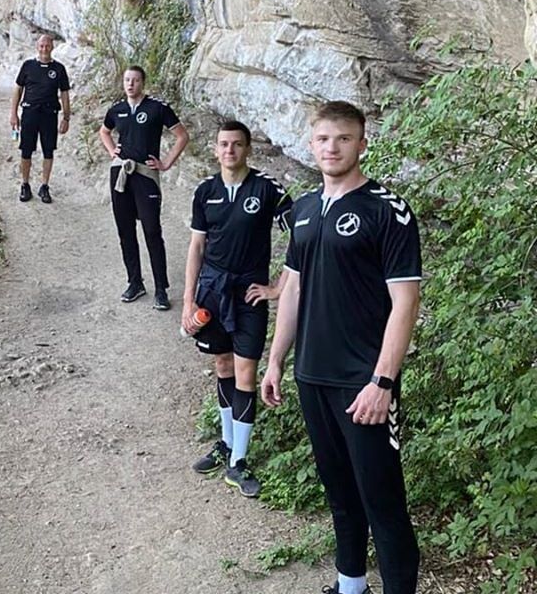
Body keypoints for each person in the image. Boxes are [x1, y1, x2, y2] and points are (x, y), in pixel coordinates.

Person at [261, 101, 421, 594]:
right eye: (324, 139)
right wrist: (275, 361)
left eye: (343, 139)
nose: (332, 147)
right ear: (312, 144)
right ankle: (350, 586)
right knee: (340, 494)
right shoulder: (304, 210)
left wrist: (382, 382)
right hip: (313, 376)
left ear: (361, 145)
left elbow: (406, 302)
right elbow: (293, 288)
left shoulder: (386, 210)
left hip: (362, 382)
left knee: (384, 505)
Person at [183, 121, 293, 497]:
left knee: (246, 372)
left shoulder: (267, 189)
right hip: (212, 292)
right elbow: (196, 248)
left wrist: (277, 287)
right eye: (223, 144)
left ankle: (239, 462)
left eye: (237, 145)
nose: (229, 150)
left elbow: (302, 233)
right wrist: (188, 301)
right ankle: (227, 445)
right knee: (223, 366)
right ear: (215, 149)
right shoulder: (205, 192)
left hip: (249, 293)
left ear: (248, 149)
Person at [98, 65, 189, 310]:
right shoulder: (117, 109)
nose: (131, 84)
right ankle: (135, 282)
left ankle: (161, 289)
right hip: (120, 174)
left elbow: (182, 135)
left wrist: (166, 163)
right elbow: (104, 131)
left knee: (151, 230)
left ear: (143, 83)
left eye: (136, 80)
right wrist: (111, 151)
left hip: (146, 175)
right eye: (127, 80)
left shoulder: (157, 108)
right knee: (125, 230)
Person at [9, 34, 72, 204]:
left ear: (52, 47)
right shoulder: (28, 66)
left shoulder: (59, 69)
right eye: (41, 45)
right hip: (29, 113)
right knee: (26, 150)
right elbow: (18, 90)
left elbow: (64, 94)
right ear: (37, 47)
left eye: (47, 45)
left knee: (48, 151)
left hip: (49, 115)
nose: (44, 48)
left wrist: (66, 117)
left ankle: (44, 186)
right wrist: (13, 113)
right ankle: (25, 184)